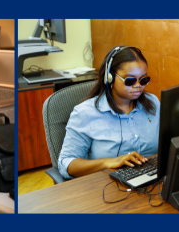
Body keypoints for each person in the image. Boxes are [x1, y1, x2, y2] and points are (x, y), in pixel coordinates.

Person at [58, 46, 160, 179]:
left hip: (152, 181)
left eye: (144, 79)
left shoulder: (153, 103)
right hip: (106, 187)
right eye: (130, 80)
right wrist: (108, 162)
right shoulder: (85, 113)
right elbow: (66, 164)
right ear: (109, 78)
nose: (138, 85)